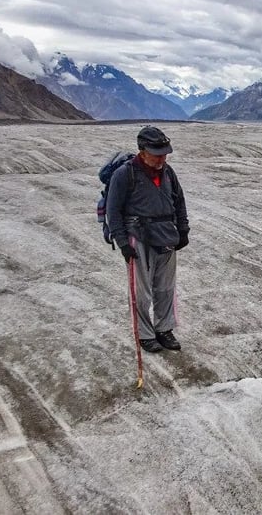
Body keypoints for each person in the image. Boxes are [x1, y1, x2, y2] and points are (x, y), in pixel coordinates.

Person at [106, 125, 190, 353]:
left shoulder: (168, 172)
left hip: (166, 235)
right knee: (141, 292)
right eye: (157, 153)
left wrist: (183, 230)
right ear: (142, 151)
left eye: (164, 153)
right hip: (138, 237)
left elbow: (179, 201)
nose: (162, 157)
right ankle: (145, 334)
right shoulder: (125, 174)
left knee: (165, 288)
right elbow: (113, 211)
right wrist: (123, 242)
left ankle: (164, 329)